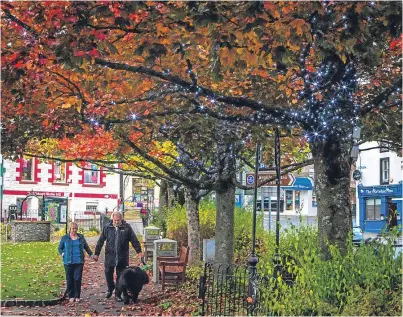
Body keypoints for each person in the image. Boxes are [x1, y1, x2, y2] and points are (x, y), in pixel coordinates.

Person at [93, 211, 143, 302]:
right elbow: (101, 241)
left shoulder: (127, 228)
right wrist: (96, 253)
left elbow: (134, 240)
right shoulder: (107, 227)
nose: (116, 222)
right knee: (108, 273)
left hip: (122, 256)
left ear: (121, 219)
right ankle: (110, 287)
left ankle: (117, 294)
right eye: (115, 220)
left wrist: (139, 251)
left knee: (120, 277)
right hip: (110, 255)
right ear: (112, 219)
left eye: (118, 220)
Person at [58, 222, 94, 303]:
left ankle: (77, 296)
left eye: (75, 229)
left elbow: (86, 247)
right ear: (69, 229)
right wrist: (63, 253)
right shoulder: (65, 238)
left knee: (77, 279)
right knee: (69, 279)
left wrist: (91, 255)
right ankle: (71, 296)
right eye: (72, 228)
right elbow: (60, 248)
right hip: (68, 262)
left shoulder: (81, 237)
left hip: (79, 261)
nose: (74, 230)